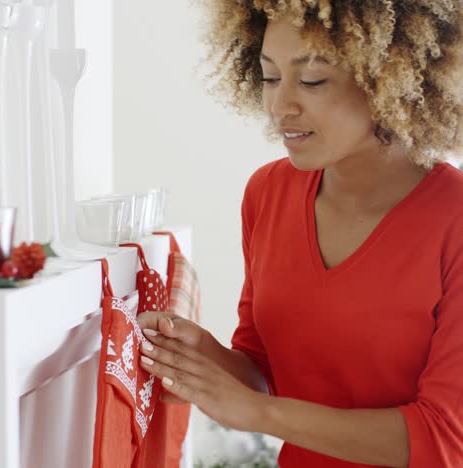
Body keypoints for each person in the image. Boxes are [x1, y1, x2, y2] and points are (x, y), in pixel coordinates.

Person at [137, 1, 463, 467]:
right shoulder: (267, 193)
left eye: (311, 80)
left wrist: (259, 413)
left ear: (386, 77)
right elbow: (264, 369)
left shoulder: (454, 218)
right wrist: (204, 357)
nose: (279, 106)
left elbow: (444, 439)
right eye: (270, 77)